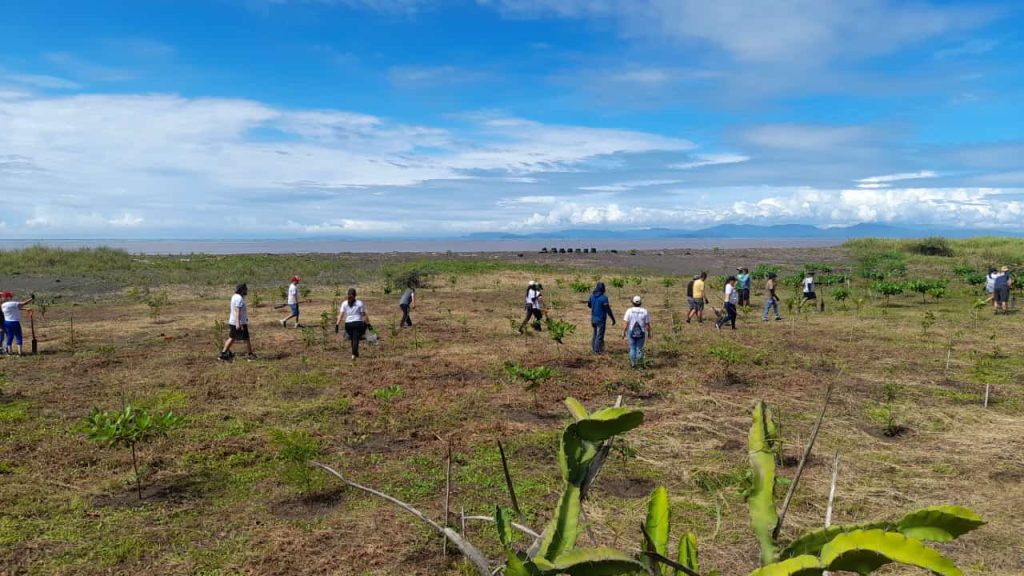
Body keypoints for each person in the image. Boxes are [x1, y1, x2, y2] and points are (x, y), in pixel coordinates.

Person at [220, 283, 254, 361]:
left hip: (233, 321)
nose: (247, 290)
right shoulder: (239, 298)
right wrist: (238, 323)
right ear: (242, 290)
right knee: (246, 338)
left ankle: (223, 354)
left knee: (232, 338)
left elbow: (238, 311)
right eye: (245, 289)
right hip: (239, 322)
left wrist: (244, 318)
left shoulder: (234, 296)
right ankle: (250, 355)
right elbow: (238, 311)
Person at [336, 288, 369, 359]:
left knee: (353, 339)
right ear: (355, 295)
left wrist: (337, 324)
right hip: (357, 323)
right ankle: (354, 354)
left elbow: (341, 315)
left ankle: (355, 353)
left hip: (348, 324)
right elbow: (364, 315)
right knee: (356, 339)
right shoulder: (359, 303)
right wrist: (368, 324)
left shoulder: (344, 303)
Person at [622, 295, 651, 368]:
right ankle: (640, 364)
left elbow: (626, 323)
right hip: (641, 332)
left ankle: (633, 364)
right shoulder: (644, 311)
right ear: (640, 303)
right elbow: (647, 324)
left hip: (631, 331)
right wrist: (649, 333)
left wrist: (624, 332)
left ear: (633, 302)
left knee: (632, 348)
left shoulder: (629, 310)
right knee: (639, 348)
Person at [587, 282, 615, 353]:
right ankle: (596, 351)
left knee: (595, 335)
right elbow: (608, 309)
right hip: (601, 320)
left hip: (593, 319)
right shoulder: (604, 298)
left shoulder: (592, 296)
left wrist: (594, 305)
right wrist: (613, 319)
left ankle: (594, 349)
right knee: (599, 336)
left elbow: (589, 305)